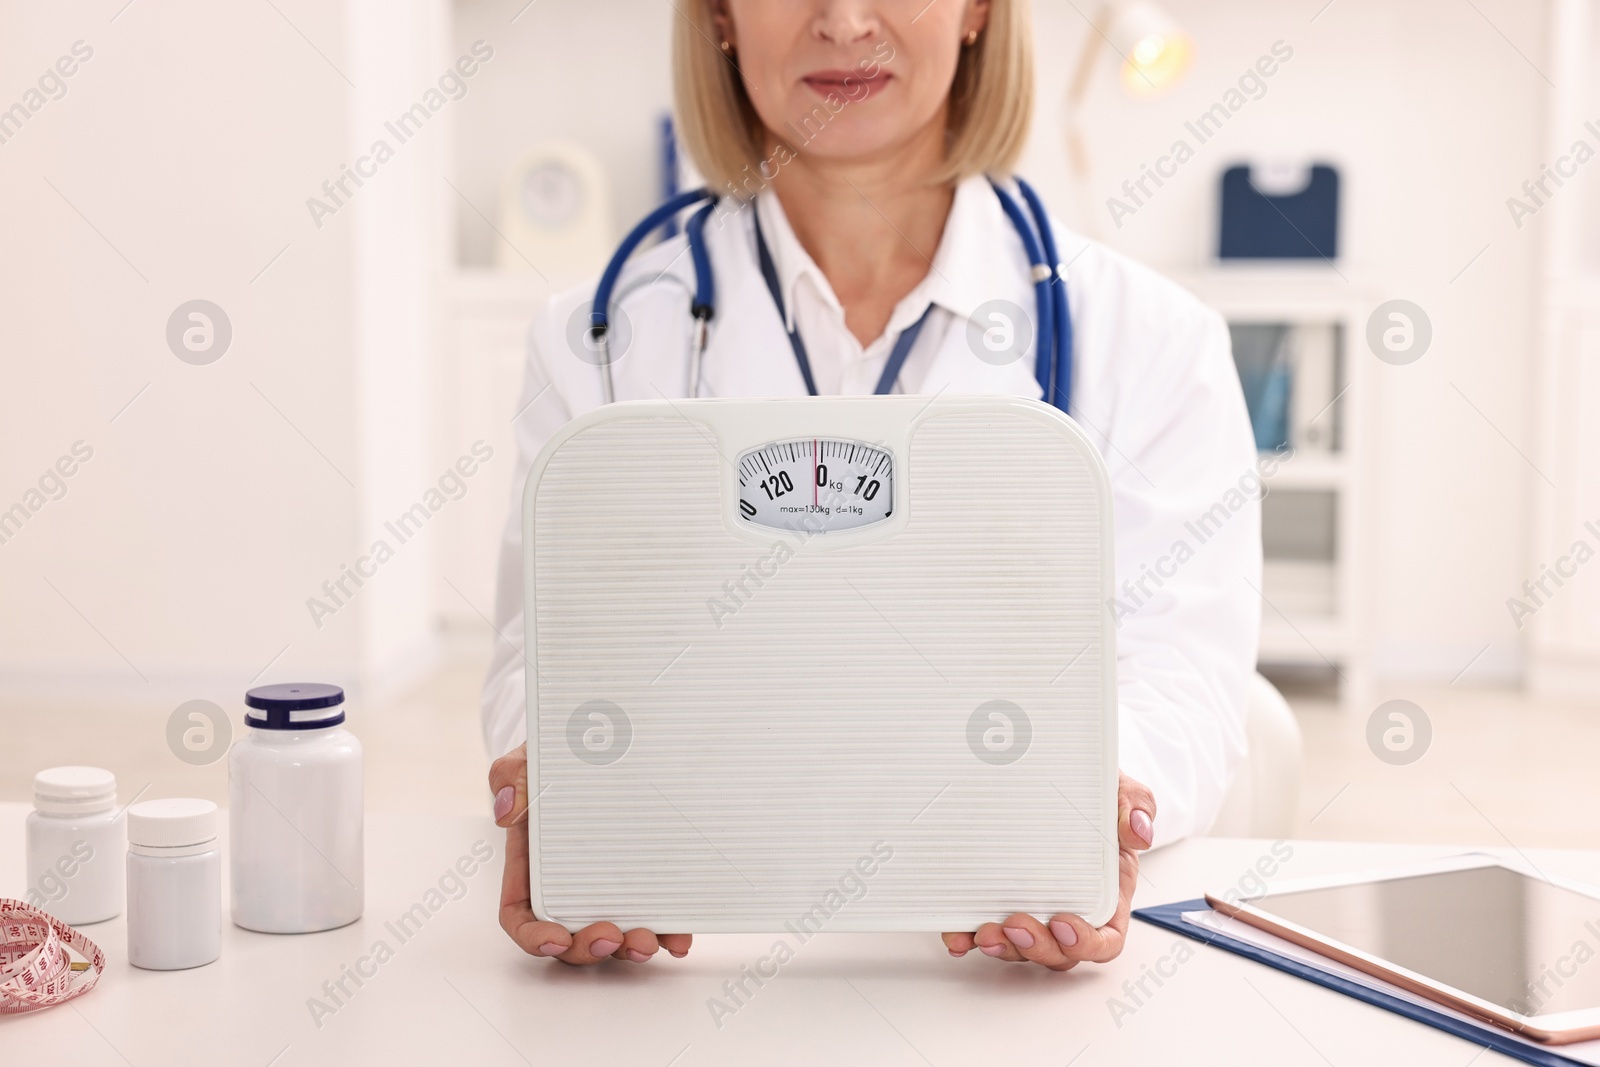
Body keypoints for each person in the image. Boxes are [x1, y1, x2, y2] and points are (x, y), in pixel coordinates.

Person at [482, 0, 1260, 971]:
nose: (845, 22)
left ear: (979, 10)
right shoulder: (596, 339)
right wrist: (568, 787)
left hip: (995, 970)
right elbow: (537, 658)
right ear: (719, 16)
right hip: (699, 959)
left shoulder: (1151, 340)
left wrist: (1078, 800)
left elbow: (1183, 670)